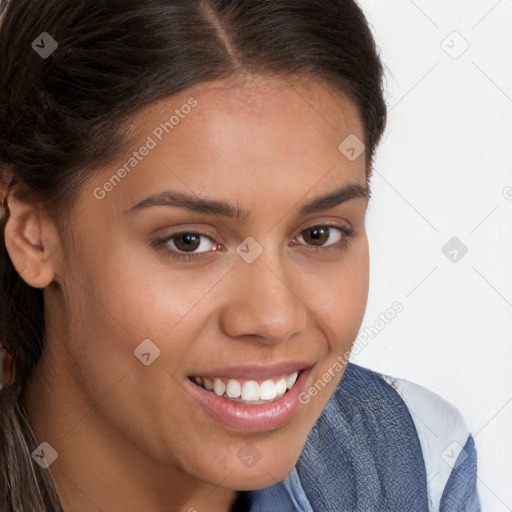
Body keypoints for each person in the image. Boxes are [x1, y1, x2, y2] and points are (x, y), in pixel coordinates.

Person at [0, 1, 480, 511]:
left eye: (318, 234)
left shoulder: (408, 461)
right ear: (33, 234)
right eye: (190, 242)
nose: (273, 318)